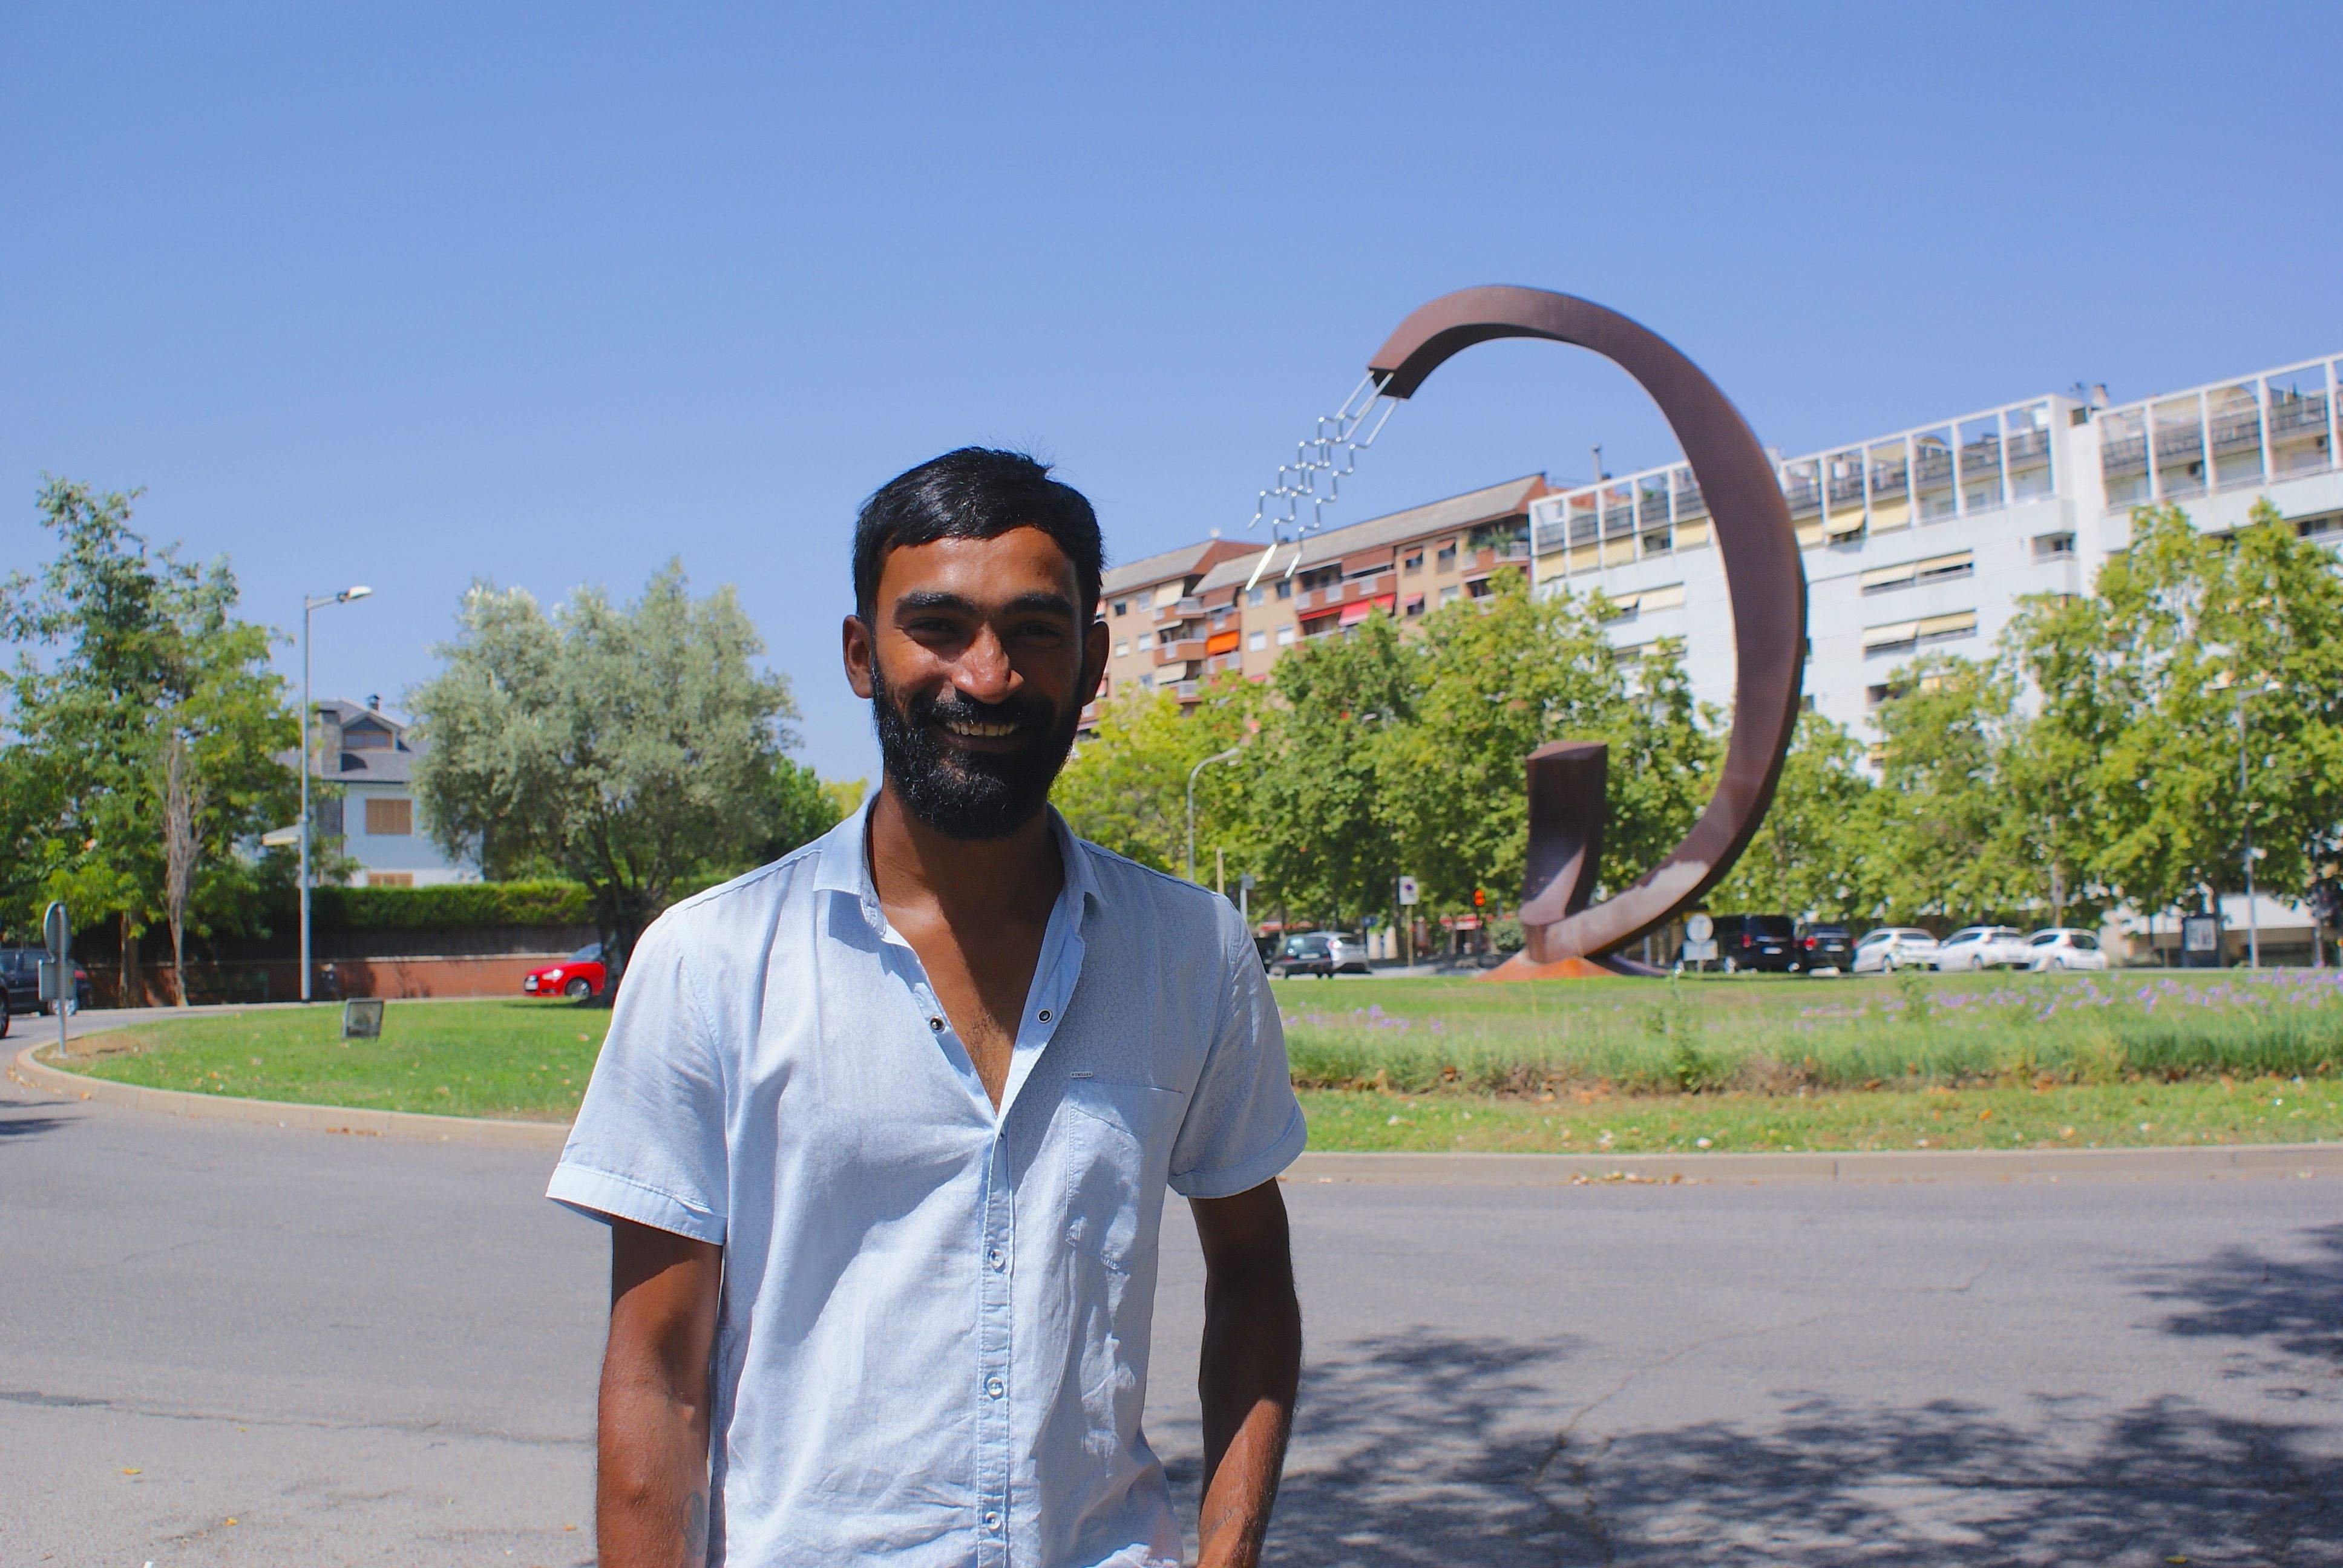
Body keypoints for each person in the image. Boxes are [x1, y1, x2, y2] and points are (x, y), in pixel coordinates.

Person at [548, 448, 1306, 1567]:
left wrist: (1227, 1548)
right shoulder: (711, 961)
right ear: (863, 655)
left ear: (1094, 661)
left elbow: (1252, 1272)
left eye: (1035, 631)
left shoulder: (1191, 954)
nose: (987, 675)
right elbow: (658, 1372)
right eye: (938, 626)